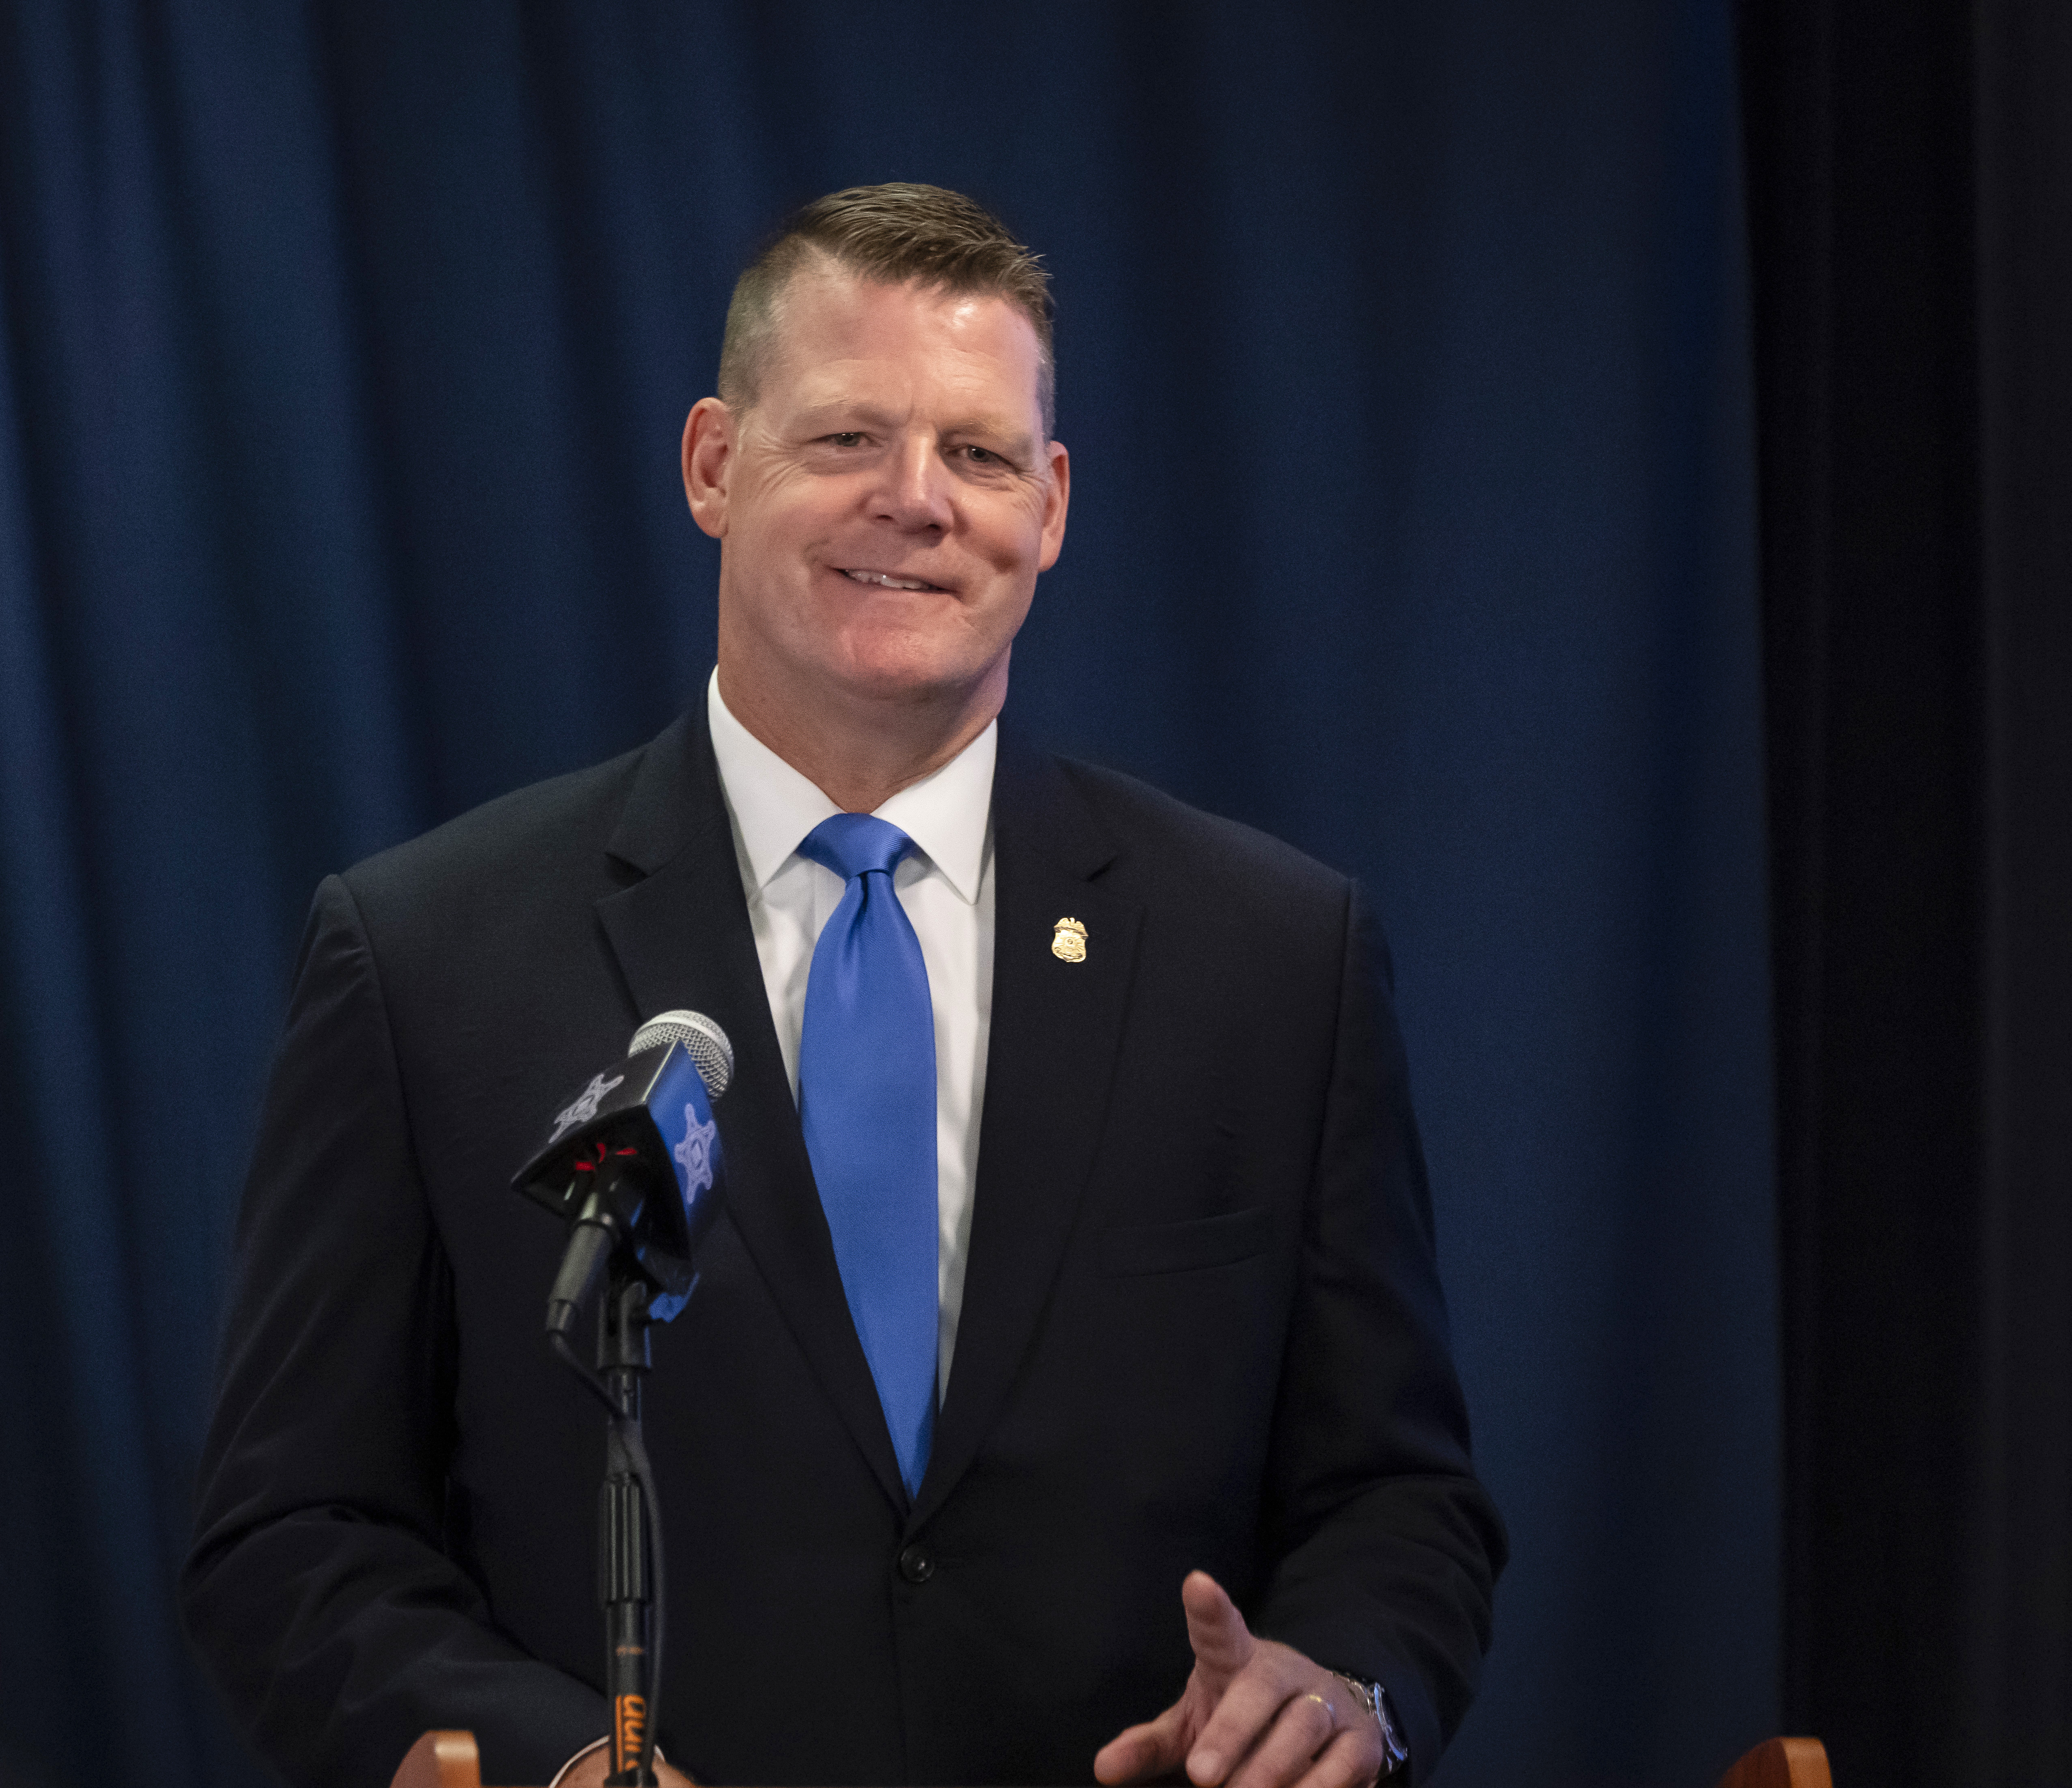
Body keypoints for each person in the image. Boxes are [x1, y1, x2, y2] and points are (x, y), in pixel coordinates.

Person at [185, 184, 1505, 1788]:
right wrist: (558, 1761)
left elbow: (1402, 1501)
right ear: (712, 466)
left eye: (980, 453)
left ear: (1055, 505)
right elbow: (294, 1527)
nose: (918, 501)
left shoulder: (1278, 959)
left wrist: (1339, 1692)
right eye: (845, 442)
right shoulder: (426, 954)